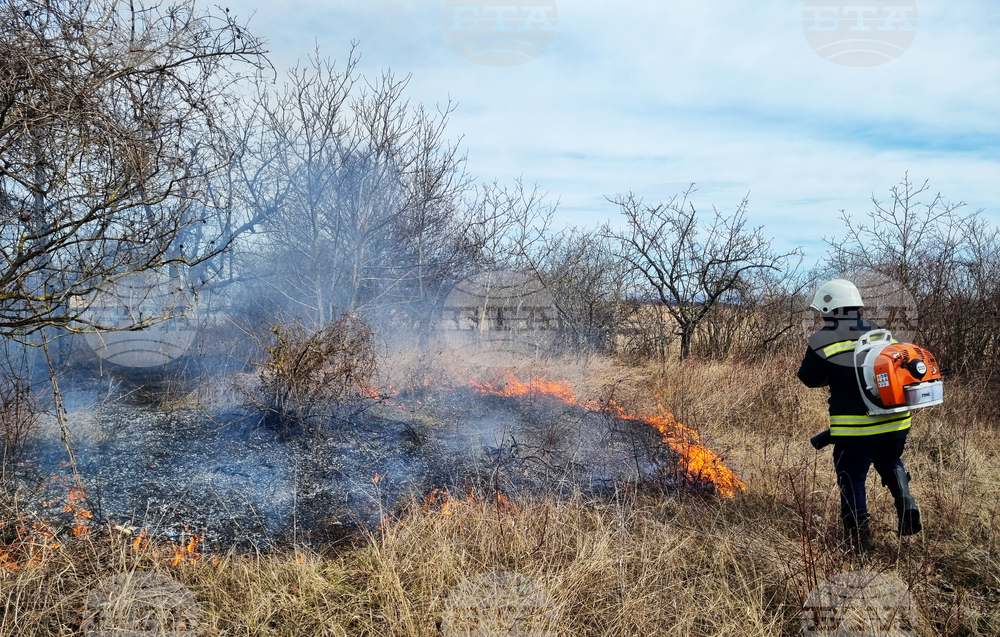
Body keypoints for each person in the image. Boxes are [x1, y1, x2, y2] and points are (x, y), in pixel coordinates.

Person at [798, 279, 922, 556]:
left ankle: (858, 543)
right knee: (890, 460)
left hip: (855, 428)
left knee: (852, 478)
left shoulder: (822, 338)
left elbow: (809, 378)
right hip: (896, 422)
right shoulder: (881, 332)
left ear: (829, 307)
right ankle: (906, 501)